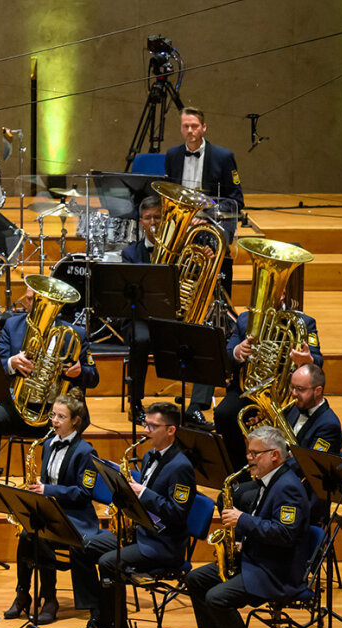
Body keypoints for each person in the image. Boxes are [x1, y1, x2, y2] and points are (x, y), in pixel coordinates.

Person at [183, 426, 314, 628]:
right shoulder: (268, 482)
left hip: (276, 571)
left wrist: (243, 520)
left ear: (274, 455)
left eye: (255, 453)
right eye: (249, 452)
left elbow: (285, 534)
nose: (249, 458)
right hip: (257, 558)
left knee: (217, 598)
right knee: (196, 579)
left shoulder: (288, 488)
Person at [76, 402, 197, 628]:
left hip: (163, 545)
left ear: (171, 430)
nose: (146, 429)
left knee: (109, 561)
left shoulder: (181, 467)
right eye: (146, 423)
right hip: (142, 534)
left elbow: (177, 513)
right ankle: (100, 618)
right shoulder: (149, 455)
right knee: (83, 545)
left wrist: (143, 493)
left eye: (153, 425)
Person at [0, 283, 100, 469]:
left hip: (58, 411)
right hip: (18, 407)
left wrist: (80, 372)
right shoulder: (12, 325)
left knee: (66, 427)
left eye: (34, 299)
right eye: (29, 298)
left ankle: (53, 486)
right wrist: (11, 363)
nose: (29, 303)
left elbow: (94, 377)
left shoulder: (75, 334)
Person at [7, 392, 102, 624]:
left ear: (75, 421)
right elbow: (45, 481)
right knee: (27, 534)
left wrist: (48, 491)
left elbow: (84, 494)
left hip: (76, 518)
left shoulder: (86, 452)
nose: (55, 421)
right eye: (53, 415)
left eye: (61, 417)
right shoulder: (48, 445)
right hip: (51, 512)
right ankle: (23, 593)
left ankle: (50, 598)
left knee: (39, 536)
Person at [214, 301, 322, 460]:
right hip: (249, 391)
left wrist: (308, 360)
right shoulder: (244, 319)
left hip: (286, 395)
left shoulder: (304, 322)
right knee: (224, 414)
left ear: (283, 293)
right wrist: (238, 352)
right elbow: (227, 353)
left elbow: (318, 361)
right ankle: (239, 476)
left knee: (296, 420)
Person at [162, 107, 244, 247]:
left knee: (212, 242)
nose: (189, 130)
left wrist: (206, 215)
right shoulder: (172, 154)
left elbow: (236, 201)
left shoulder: (223, 157)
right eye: (185, 126)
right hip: (182, 217)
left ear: (203, 127)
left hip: (213, 217)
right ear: (181, 128)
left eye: (194, 126)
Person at [117, 195, 168, 422]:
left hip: (167, 316)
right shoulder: (130, 253)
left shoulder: (177, 250)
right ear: (141, 222)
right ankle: (135, 402)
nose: (153, 222)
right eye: (148, 218)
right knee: (140, 340)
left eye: (158, 216)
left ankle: (193, 405)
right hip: (138, 316)